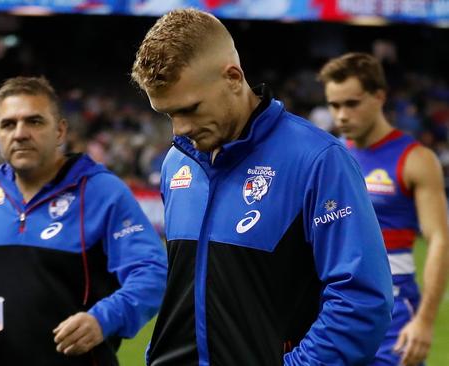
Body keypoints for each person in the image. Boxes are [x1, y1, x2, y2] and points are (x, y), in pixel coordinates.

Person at [131, 8, 393, 366]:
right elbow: (182, 295)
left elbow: (361, 301)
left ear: (233, 77)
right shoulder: (177, 164)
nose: (180, 129)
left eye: (190, 108)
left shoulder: (318, 160)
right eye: (168, 114)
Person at [0, 76, 167, 366]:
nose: (20, 133)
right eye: (8, 124)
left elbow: (151, 272)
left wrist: (102, 320)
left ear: (60, 131)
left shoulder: (101, 193)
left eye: (34, 122)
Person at [319, 52, 449, 366]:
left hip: (395, 315)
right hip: (336, 311)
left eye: (352, 103)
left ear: (379, 97)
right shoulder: (329, 157)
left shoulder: (416, 158)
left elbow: (440, 240)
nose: (341, 116)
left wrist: (425, 321)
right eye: (334, 105)